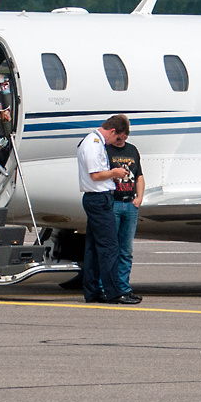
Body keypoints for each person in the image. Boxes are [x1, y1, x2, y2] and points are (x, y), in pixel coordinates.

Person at [75, 115, 140, 304]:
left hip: (95, 198)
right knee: (110, 246)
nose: (116, 143)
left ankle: (93, 290)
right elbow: (95, 175)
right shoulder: (95, 144)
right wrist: (115, 173)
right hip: (99, 199)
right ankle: (114, 292)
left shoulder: (91, 141)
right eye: (117, 138)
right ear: (112, 131)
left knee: (94, 248)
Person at [108, 130, 145, 301]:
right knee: (110, 248)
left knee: (126, 250)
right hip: (113, 202)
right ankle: (107, 286)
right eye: (116, 135)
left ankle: (123, 286)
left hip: (129, 203)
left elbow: (139, 176)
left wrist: (139, 198)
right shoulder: (106, 150)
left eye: (122, 136)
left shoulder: (132, 150)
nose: (118, 139)